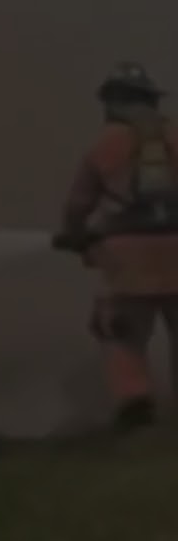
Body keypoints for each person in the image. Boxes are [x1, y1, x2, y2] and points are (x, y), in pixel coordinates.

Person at [54, 61, 178, 430]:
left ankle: (135, 401)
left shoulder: (103, 147)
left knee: (121, 332)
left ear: (112, 103)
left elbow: (78, 206)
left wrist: (74, 235)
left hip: (126, 262)